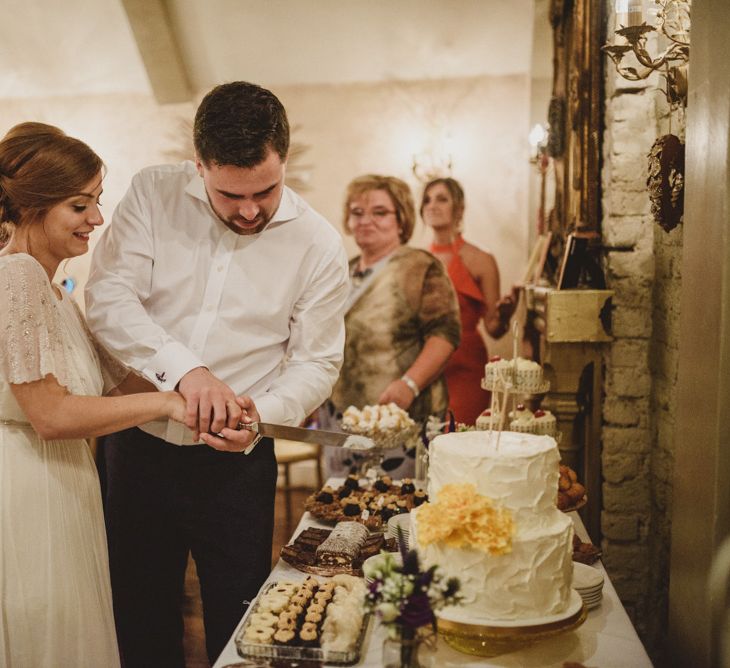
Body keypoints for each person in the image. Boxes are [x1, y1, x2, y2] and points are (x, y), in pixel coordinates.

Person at [85, 82, 350, 665]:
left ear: (284, 156)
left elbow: (316, 361)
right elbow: (109, 297)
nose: (250, 209)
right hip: (137, 444)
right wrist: (188, 372)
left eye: (266, 190)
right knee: (138, 612)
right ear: (198, 163)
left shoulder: (318, 245)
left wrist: (264, 413)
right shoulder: (153, 194)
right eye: (230, 194)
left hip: (237, 463)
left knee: (242, 619)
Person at [0, 122, 193, 667]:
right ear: (34, 206)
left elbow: (118, 385)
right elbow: (51, 414)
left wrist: (198, 394)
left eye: (97, 202)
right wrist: (168, 403)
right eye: (79, 206)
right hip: (28, 486)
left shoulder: (54, 288)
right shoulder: (16, 278)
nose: (98, 220)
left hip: (63, 481)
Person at [322, 174, 460, 476]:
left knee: (395, 512)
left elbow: (445, 333)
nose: (365, 220)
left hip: (401, 419)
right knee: (344, 512)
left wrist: (409, 385)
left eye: (380, 212)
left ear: (402, 219)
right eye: (357, 213)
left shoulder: (420, 266)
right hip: (341, 419)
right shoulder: (343, 269)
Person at [421, 177, 518, 425]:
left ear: (459, 208)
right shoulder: (417, 261)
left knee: (458, 438)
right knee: (425, 445)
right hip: (425, 366)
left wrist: (506, 314)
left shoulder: (481, 259)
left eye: (442, 199)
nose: (432, 205)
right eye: (427, 200)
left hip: (466, 367)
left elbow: (493, 329)